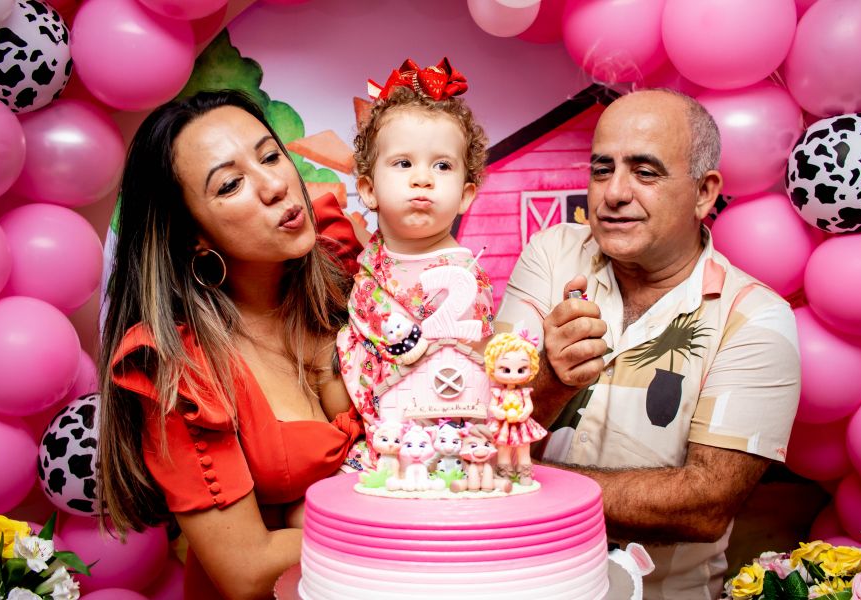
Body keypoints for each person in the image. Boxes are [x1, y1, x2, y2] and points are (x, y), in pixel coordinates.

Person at [496, 89, 801, 599]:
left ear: (704, 192)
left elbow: (704, 504)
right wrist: (551, 379)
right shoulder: (552, 255)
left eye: (645, 171)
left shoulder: (754, 318)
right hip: (515, 582)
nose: (613, 193)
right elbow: (482, 427)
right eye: (602, 169)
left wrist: (516, 483)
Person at [97, 90, 365, 600]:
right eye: (230, 184)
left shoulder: (349, 273)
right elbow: (247, 570)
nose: (274, 186)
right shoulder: (179, 369)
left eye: (270, 156)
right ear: (192, 235)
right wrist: (404, 518)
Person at [336, 58, 495, 425]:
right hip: (359, 419)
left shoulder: (463, 278)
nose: (423, 178)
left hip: (430, 427)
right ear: (369, 190)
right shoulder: (371, 256)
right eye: (404, 163)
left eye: (442, 166)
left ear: (465, 196)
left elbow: (470, 376)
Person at [483, 331, 548, 485]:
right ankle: (504, 475)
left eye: (521, 370)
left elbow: (528, 406)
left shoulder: (524, 392)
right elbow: (493, 406)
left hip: (521, 425)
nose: (513, 375)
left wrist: (524, 413)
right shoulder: (498, 392)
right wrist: (498, 412)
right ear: (493, 367)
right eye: (506, 370)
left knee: (523, 449)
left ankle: (525, 475)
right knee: (503, 449)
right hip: (503, 425)